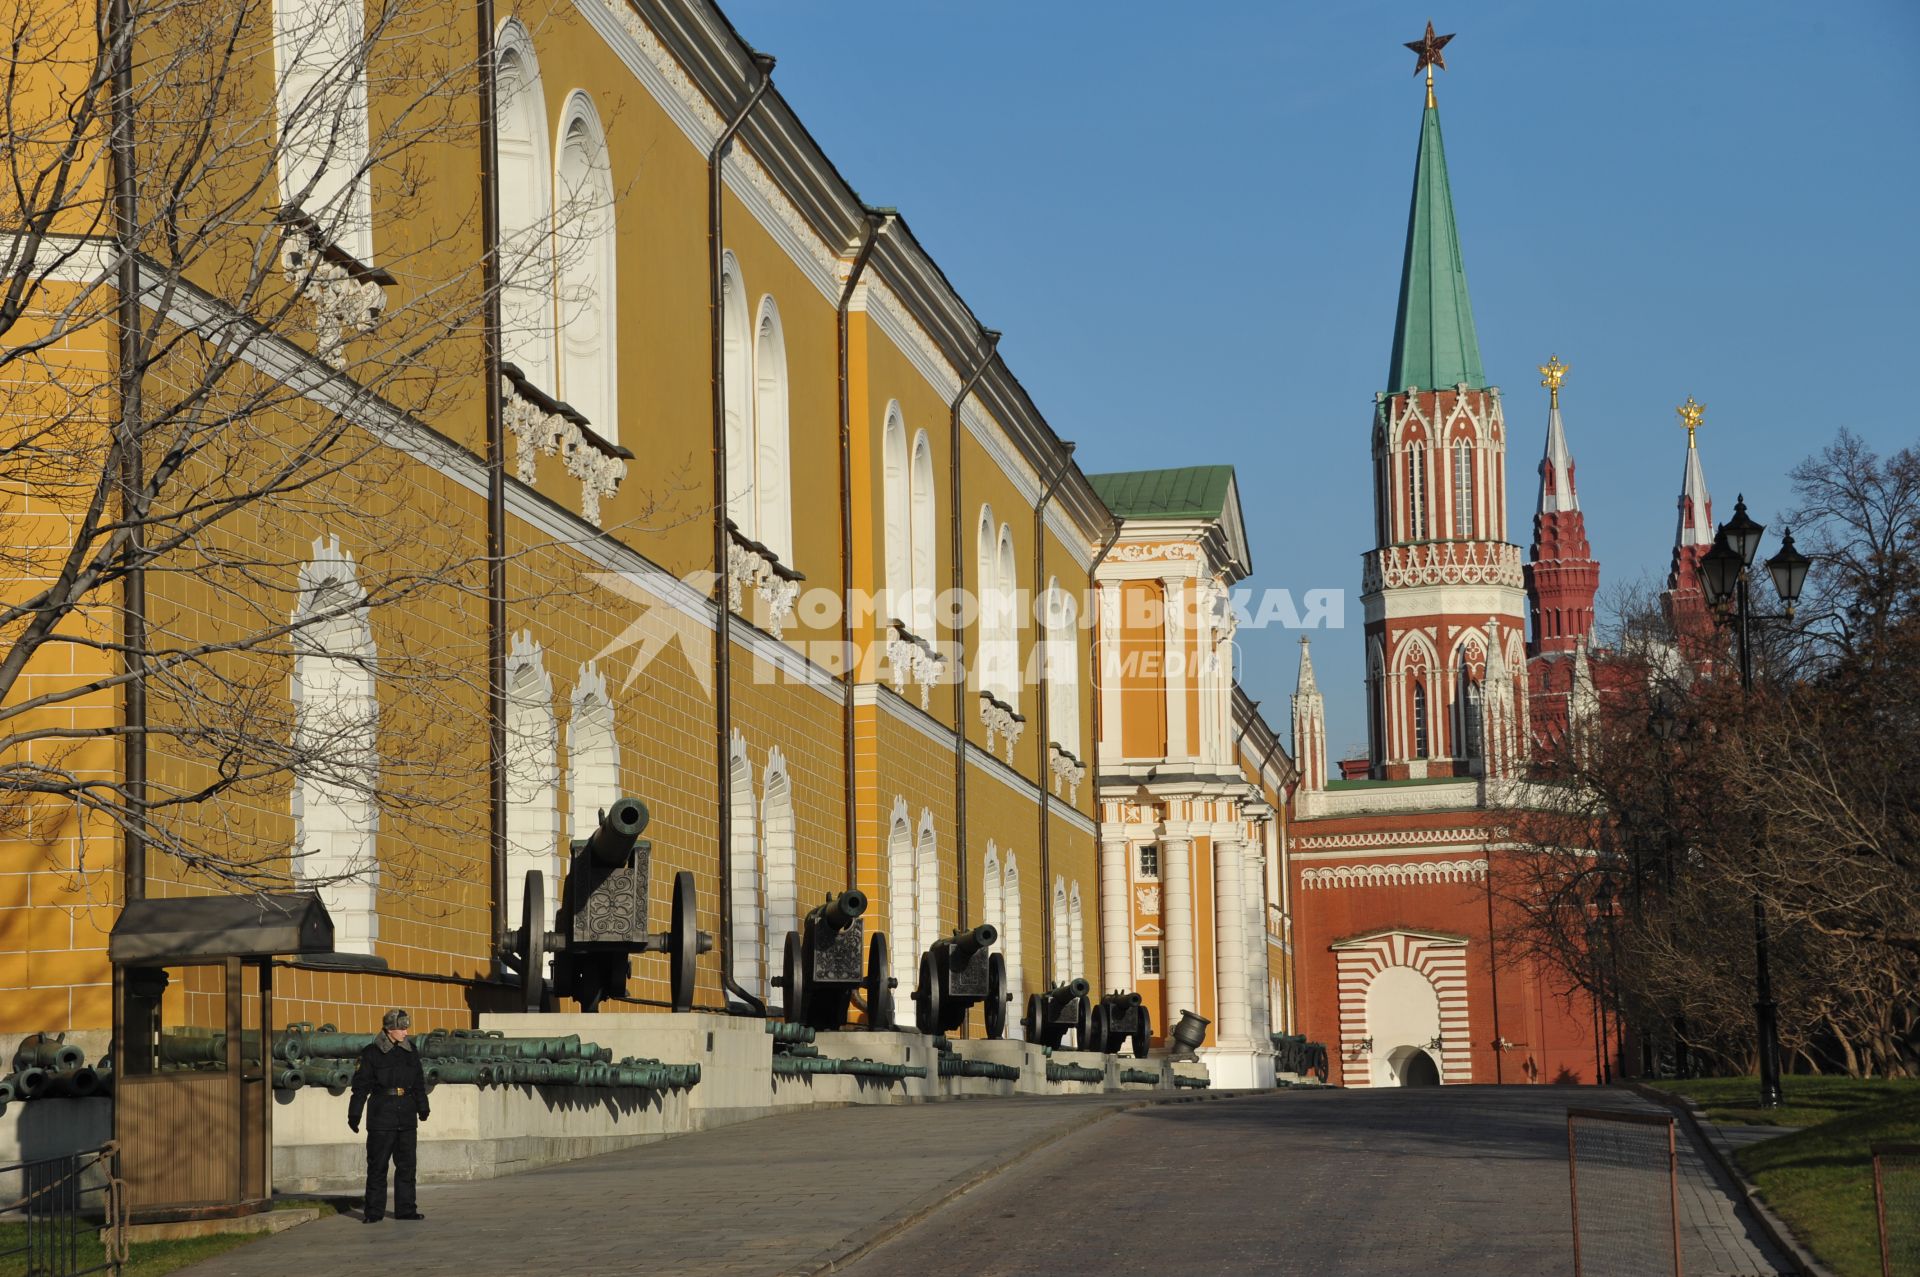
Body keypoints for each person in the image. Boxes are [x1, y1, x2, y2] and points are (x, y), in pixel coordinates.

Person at [347, 1008, 430, 1222]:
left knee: (407, 1167)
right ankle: (374, 1213)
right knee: (378, 1167)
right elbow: (360, 1087)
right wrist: (354, 1115)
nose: (406, 1032)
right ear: (389, 1029)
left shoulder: (411, 1051)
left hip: (406, 1117)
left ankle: (406, 1210)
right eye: (401, 1028)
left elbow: (419, 1083)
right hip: (381, 1117)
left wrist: (423, 1107)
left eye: (406, 1028)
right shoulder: (371, 1053)